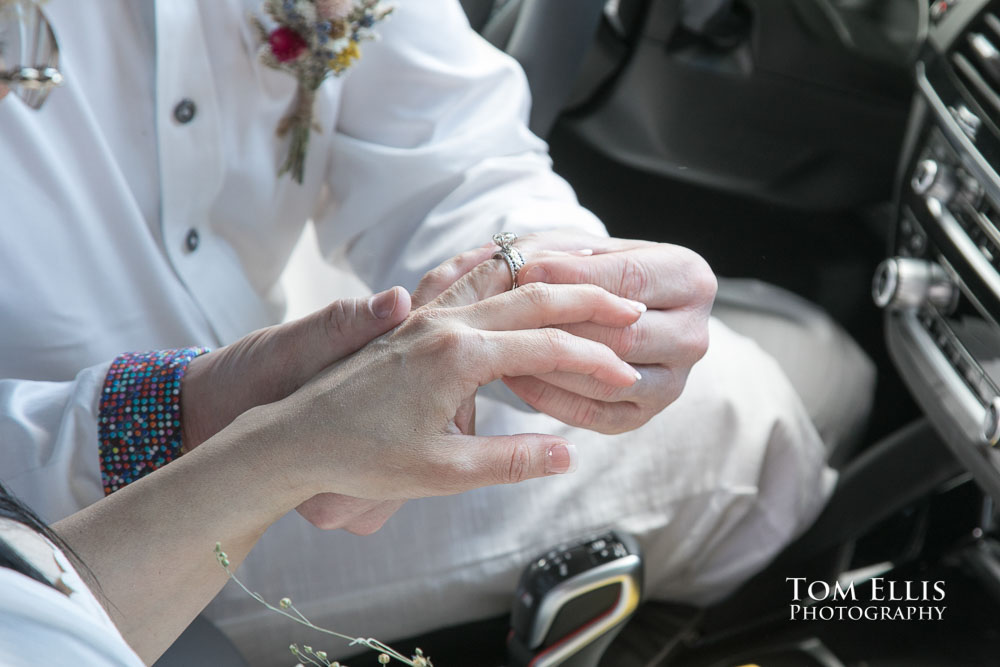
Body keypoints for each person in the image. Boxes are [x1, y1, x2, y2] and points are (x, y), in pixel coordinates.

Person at [0, 0, 836, 663]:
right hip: (68, 526)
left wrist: (544, 274)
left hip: (290, 351)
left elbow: (451, 147)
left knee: (806, 361)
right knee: (760, 420)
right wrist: (174, 418)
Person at [1, 258, 652, 665]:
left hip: (301, 345)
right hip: (67, 494)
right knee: (734, 436)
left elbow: (443, 125)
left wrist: (538, 270)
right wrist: (260, 431)